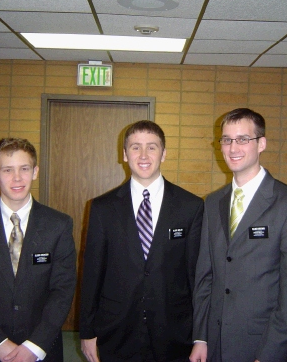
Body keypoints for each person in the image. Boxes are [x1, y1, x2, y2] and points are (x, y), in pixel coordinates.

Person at [190, 108, 287, 362]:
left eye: (243, 139)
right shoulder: (213, 203)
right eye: (226, 139)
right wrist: (201, 337)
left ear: (262, 144)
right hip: (214, 342)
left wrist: (270, 354)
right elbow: (206, 275)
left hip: (261, 345)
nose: (233, 148)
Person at [79, 120, 204, 362]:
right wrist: (87, 331)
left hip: (175, 332)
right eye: (135, 147)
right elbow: (92, 274)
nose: (144, 155)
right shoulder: (102, 208)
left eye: (152, 147)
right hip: (116, 330)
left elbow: (196, 277)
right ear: (124, 155)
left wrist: (201, 336)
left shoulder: (191, 206)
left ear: (164, 153)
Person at [0, 137, 77, 362]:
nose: (17, 178)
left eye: (24, 169)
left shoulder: (58, 225)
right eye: (8, 170)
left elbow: (63, 290)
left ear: (35, 171)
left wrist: (34, 346)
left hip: (42, 349)